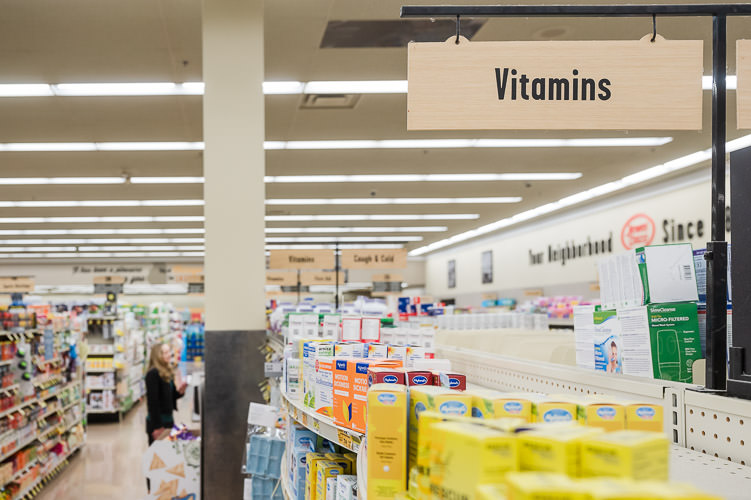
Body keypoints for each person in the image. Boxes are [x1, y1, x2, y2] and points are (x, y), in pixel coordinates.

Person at [145, 343, 187, 445]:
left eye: (169, 352)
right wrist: (158, 427)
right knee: (157, 457)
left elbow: (170, 397)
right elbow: (153, 402)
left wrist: (180, 392)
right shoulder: (153, 374)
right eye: (166, 352)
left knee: (166, 457)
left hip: (168, 420)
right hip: (158, 422)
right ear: (158, 356)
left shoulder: (166, 372)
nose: (170, 355)